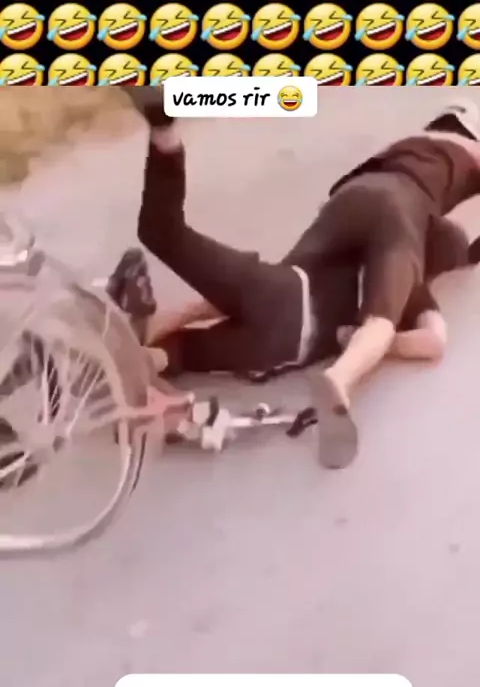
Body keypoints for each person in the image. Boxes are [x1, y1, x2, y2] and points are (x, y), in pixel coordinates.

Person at [128, 94, 480, 468]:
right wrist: (358, 339)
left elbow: (215, 302)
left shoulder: (356, 238)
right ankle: (339, 380)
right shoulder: (409, 279)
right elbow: (433, 342)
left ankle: (164, 135)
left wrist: (169, 318)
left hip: (277, 287)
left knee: (162, 236)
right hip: (279, 349)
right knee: (379, 323)